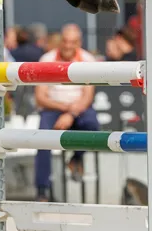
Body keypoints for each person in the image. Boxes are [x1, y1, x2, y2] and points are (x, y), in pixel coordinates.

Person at [34, 24, 99, 201]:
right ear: (60, 41)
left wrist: (70, 114)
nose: (68, 46)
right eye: (65, 41)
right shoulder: (46, 59)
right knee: (41, 137)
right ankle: (42, 189)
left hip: (77, 108)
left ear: (79, 42)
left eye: (73, 42)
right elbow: (40, 97)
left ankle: (76, 158)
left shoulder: (88, 59)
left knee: (92, 125)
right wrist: (66, 110)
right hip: (54, 107)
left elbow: (88, 97)